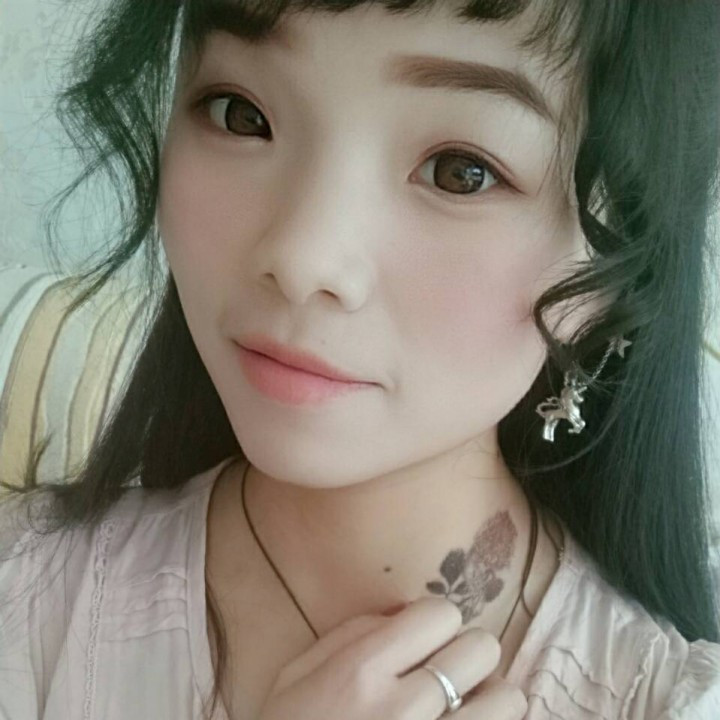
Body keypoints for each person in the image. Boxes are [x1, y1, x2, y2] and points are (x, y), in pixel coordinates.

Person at [1, 0, 720, 718]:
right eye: (241, 115)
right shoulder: (26, 599)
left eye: (460, 172)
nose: (302, 258)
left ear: (610, 271)